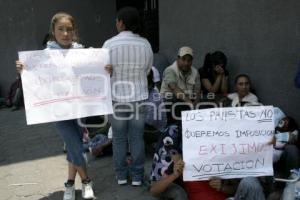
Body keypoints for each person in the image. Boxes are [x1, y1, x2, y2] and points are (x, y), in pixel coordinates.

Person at [16, 12, 97, 200]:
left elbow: (95, 74)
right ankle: (86, 181)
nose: (65, 33)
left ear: (74, 31)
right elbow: (33, 79)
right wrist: (23, 70)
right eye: (61, 29)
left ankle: (69, 184)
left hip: (79, 109)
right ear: (53, 31)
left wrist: (105, 69)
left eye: (69, 29)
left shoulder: (82, 52)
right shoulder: (44, 56)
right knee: (76, 145)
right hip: (58, 110)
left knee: (72, 146)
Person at [102, 6, 153, 186]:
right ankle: (138, 177)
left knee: (119, 138)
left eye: (117, 20)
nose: (116, 23)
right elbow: (148, 70)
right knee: (137, 138)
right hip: (138, 97)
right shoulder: (145, 44)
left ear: (121, 22)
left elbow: (103, 70)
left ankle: (122, 175)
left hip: (116, 98)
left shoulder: (109, 44)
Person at [160, 46, 201, 122]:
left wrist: (195, 104)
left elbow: (197, 91)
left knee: (205, 101)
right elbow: (174, 88)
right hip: (169, 103)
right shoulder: (170, 70)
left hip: (186, 102)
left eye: (189, 60)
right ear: (178, 58)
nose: (186, 63)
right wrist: (189, 103)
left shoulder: (195, 72)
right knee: (173, 99)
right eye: (183, 59)